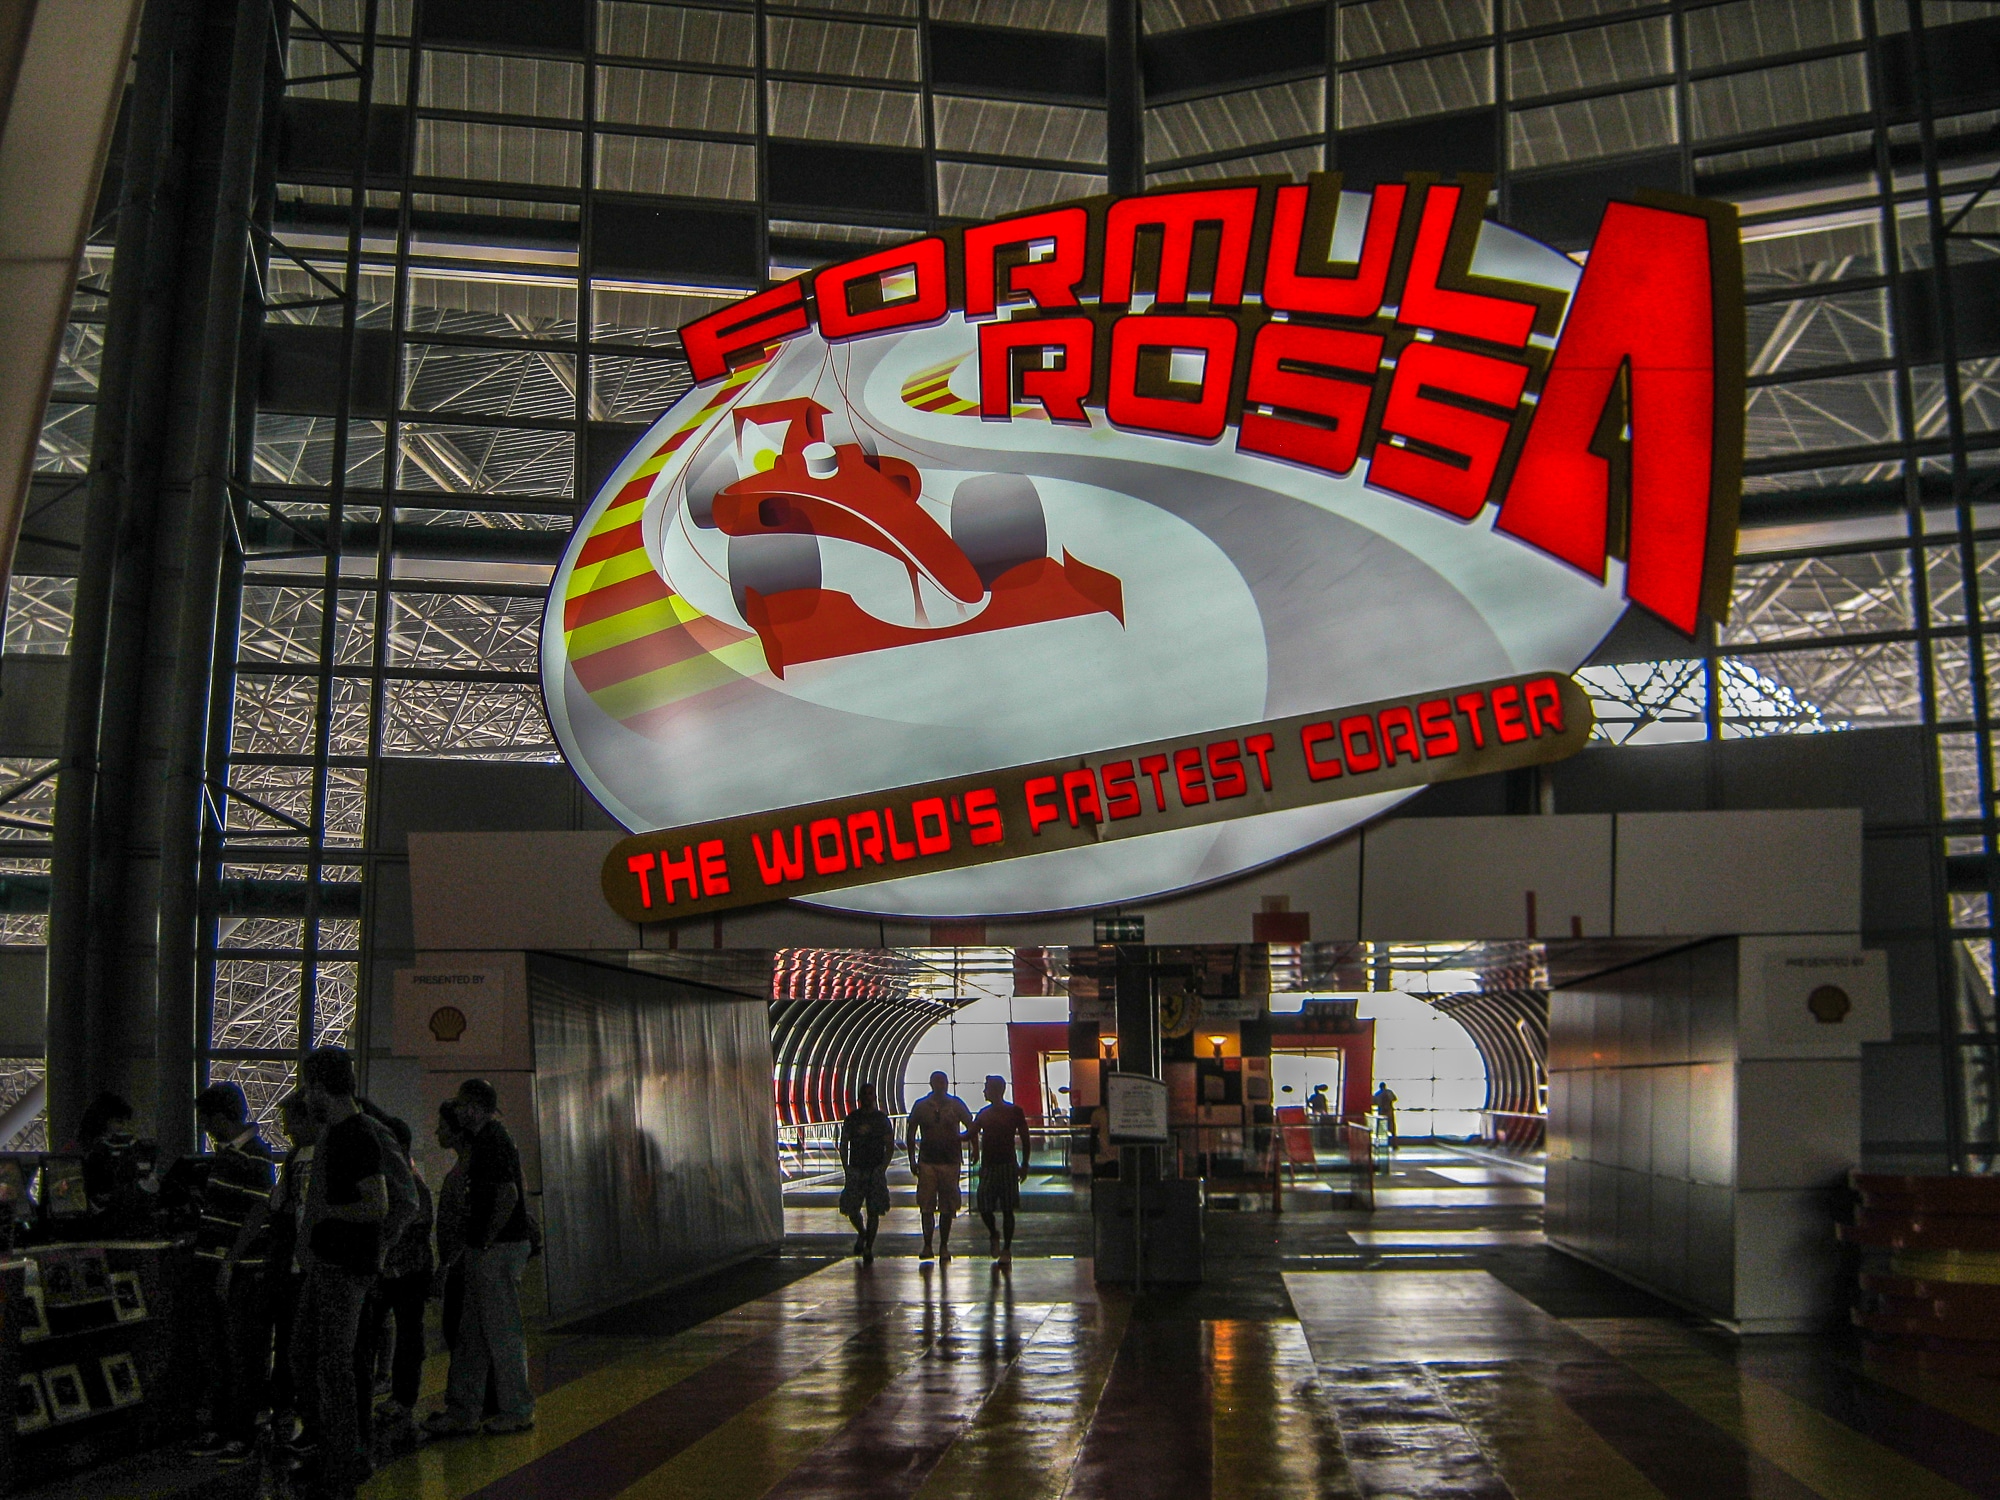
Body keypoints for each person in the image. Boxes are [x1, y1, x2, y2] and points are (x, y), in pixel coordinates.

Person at [292, 1048, 391, 1500]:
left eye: (307, 1086)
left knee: (332, 1365)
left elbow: (377, 1204)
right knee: (315, 1359)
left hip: (343, 1268)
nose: (304, 1096)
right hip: (332, 1265)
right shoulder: (340, 1132)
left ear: (320, 1087)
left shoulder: (357, 1135)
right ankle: (338, 1452)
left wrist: (326, 1216)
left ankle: (343, 1459)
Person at [424, 1078, 534, 1437]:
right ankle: (464, 1409)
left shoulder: (492, 1140)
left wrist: (486, 1239)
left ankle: (516, 1410)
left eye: (460, 1104)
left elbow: (508, 1194)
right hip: (489, 1247)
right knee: (473, 1333)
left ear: (473, 1107)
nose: (456, 1110)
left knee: (501, 1333)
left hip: (496, 1248)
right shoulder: (490, 1139)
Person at [188, 1082, 278, 1464]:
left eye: (207, 1119)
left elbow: (257, 1213)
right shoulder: (230, 1155)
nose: (206, 1127)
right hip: (220, 1263)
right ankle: (225, 1426)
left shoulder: (255, 1156)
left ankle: (241, 1430)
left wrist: (231, 1260)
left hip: (239, 1268)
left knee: (241, 1351)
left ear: (221, 1118)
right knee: (221, 1349)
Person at [357, 1114, 433, 1444]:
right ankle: (397, 1394)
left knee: (403, 1336)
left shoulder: (407, 1184)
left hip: (403, 1271)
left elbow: (410, 1230)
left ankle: (400, 1396)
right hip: (403, 1270)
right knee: (402, 1335)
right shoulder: (408, 1181)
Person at [904, 1072, 973, 1263]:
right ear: (932, 1084)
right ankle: (929, 1244)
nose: (942, 1085)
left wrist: (970, 1144)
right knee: (927, 1205)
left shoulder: (953, 1104)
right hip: (930, 1161)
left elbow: (971, 1126)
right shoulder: (923, 1106)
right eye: (939, 1082)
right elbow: (910, 1134)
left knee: (946, 1206)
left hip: (948, 1161)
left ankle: (942, 1245)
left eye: (943, 1082)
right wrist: (912, 1160)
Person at [969, 1076, 1031, 1267]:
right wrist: (1024, 1164)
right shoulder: (996, 1113)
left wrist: (1024, 1164)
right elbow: (1025, 1139)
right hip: (999, 1165)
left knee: (1004, 1208)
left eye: (986, 1088)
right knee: (989, 1205)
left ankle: (1004, 1246)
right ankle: (999, 1240)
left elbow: (970, 1133)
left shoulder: (998, 1113)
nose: (984, 1091)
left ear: (995, 1090)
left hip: (1001, 1165)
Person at [838, 1083, 893, 1263]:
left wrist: (882, 1168)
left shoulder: (881, 1119)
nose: (868, 1097)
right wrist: (847, 1167)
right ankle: (863, 1233)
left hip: (874, 1170)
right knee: (851, 1208)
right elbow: (844, 1143)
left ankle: (868, 1245)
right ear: (860, 1098)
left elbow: (889, 1145)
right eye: (865, 1094)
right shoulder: (852, 1119)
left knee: (874, 1210)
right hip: (857, 1169)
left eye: (870, 1094)